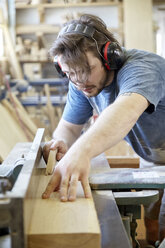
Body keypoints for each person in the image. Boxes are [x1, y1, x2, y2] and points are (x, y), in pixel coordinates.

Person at [42, 14, 165, 246]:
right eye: (69, 74)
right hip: (156, 159)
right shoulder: (81, 82)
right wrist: (60, 145)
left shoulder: (142, 67)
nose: (79, 82)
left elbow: (125, 109)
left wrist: (81, 153)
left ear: (110, 57)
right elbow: (68, 127)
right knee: (152, 221)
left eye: (88, 69)